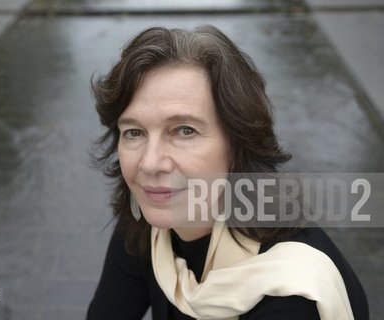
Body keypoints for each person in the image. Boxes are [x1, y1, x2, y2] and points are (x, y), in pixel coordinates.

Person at [86, 25, 369, 320]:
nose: (150, 163)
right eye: (134, 132)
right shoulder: (144, 224)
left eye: (184, 131)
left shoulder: (291, 296)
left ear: (237, 144)